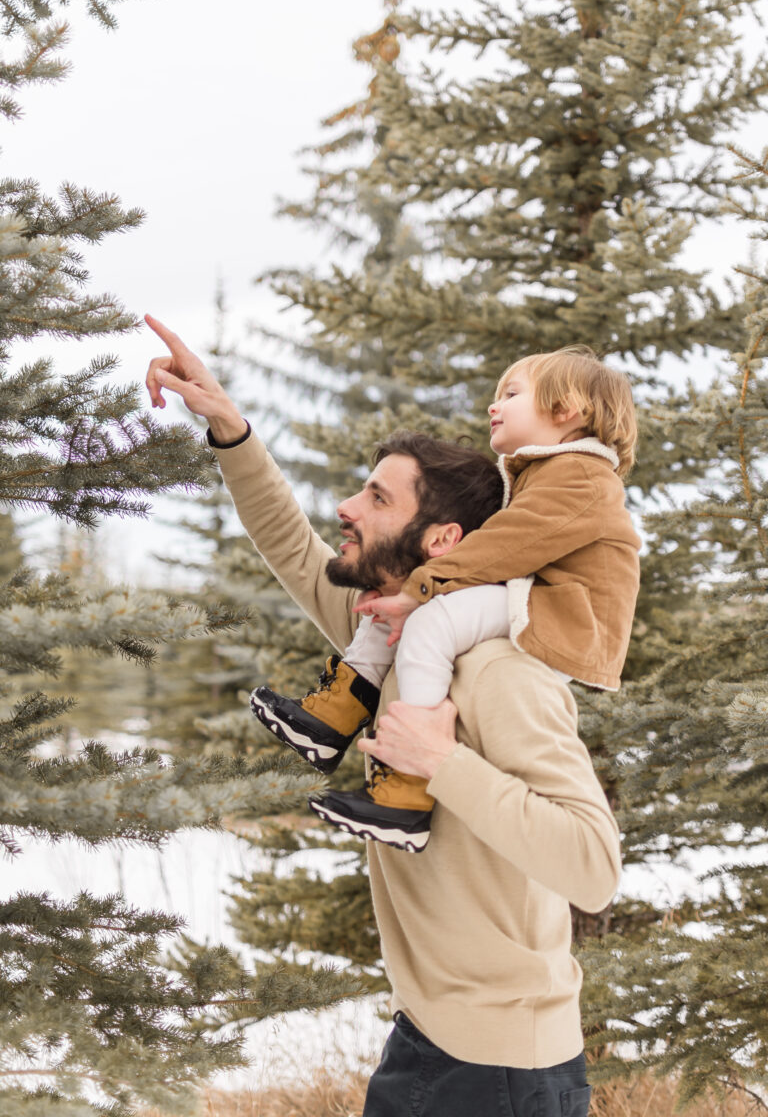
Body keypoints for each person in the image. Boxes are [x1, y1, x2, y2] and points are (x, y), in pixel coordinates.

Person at [145, 314, 624, 1117]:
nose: (345, 506)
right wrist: (228, 427)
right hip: (438, 1044)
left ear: (441, 540)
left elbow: (594, 868)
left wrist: (444, 765)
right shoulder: (386, 640)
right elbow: (294, 549)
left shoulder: (502, 672)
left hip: (496, 1071)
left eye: (375, 496)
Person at [251, 346, 640, 853]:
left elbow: (508, 544)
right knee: (393, 602)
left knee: (428, 617)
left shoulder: (582, 477)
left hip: (565, 613)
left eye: (512, 394)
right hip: (532, 595)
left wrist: (421, 591)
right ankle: (336, 713)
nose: (493, 406)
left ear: (566, 410)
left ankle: (406, 786)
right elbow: (292, 547)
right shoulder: (539, 474)